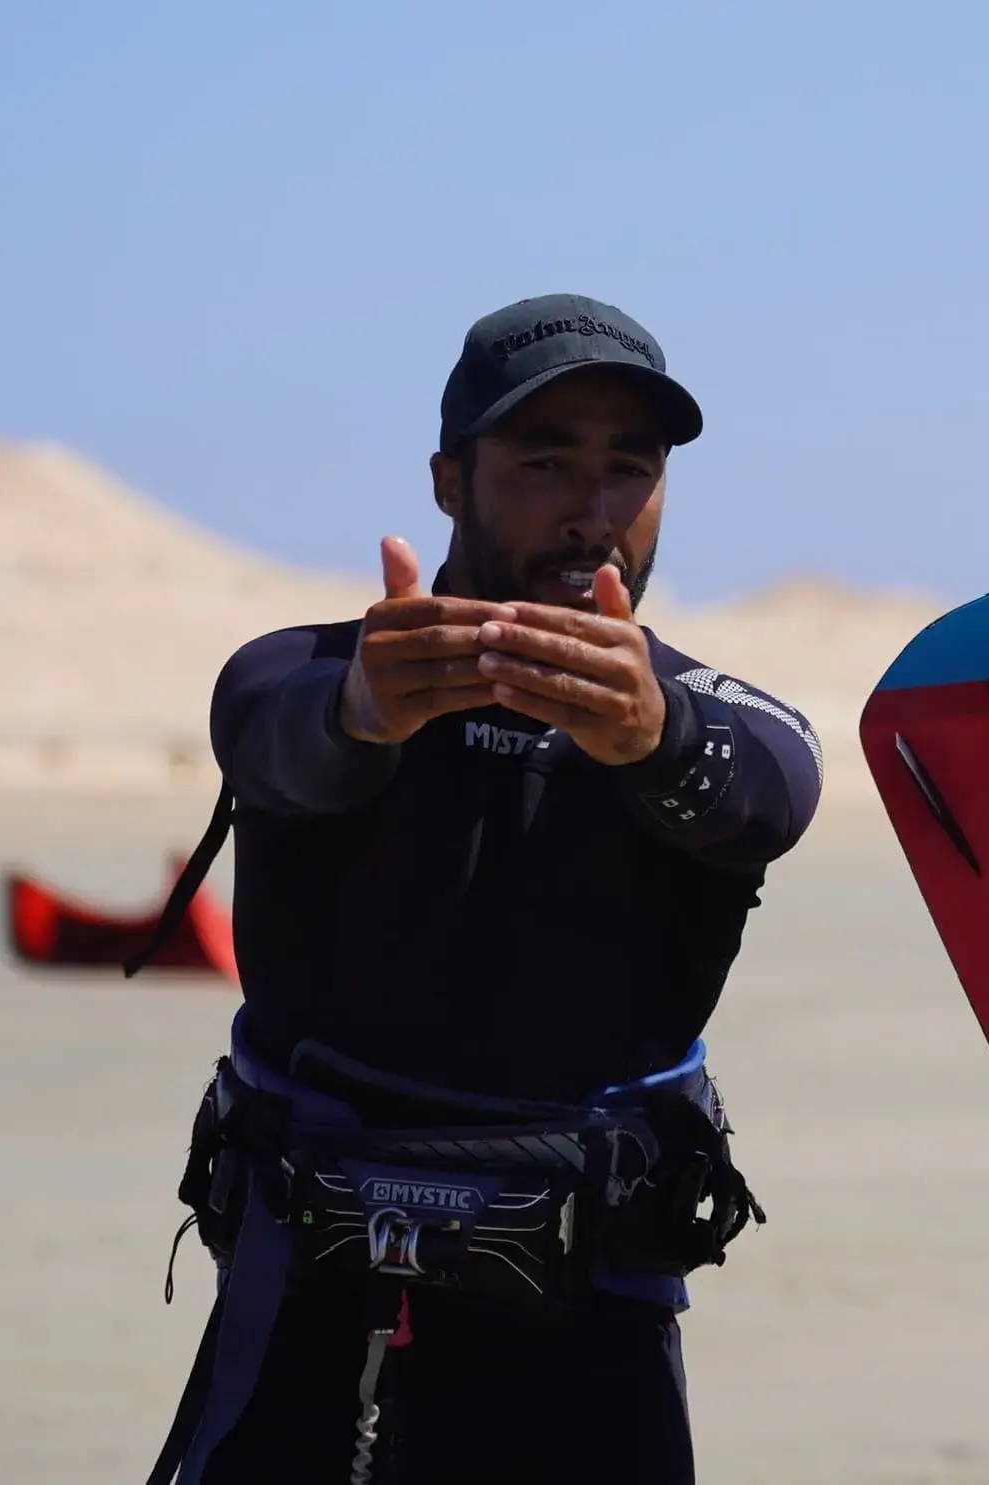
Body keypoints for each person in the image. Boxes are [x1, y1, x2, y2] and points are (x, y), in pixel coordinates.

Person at [135, 293, 823, 1484]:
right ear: (449, 481)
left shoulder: (709, 718)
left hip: (588, 1344)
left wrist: (653, 740)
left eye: (629, 468)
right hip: (305, 1311)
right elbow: (268, 728)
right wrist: (367, 715)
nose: (592, 509)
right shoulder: (309, 677)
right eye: (544, 462)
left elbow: (776, 787)